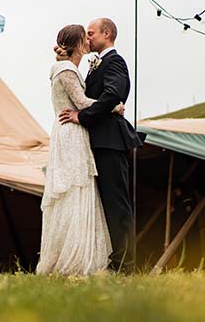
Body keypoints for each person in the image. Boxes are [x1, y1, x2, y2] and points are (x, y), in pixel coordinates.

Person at [58, 18, 141, 271]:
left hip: (109, 142)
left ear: (107, 33)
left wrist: (82, 116)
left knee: (117, 204)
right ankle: (109, 259)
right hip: (95, 141)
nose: (88, 38)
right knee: (103, 204)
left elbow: (113, 93)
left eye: (91, 33)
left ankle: (125, 264)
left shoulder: (114, 61)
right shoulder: (93, 65)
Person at [36, 24, 111, 275]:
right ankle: (74, 258)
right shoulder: (66, 69)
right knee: (75, 188)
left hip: (68, 130)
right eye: (86, 37)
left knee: (76, 189)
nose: (90, 40)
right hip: (71, 132)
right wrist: (112, 106)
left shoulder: (64, 68)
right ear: (79, 44)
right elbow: (81, 102)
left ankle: (74, 253)